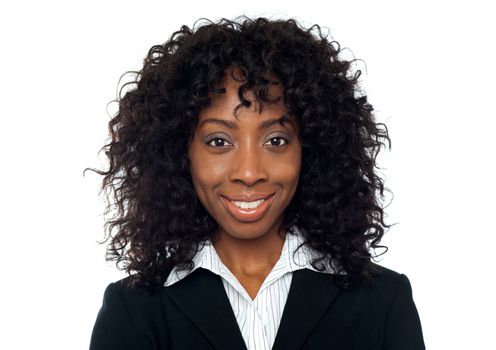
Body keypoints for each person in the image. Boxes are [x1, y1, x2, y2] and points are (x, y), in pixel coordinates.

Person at [86, 15, 425, 350]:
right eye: (219, 141)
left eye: (276, 140)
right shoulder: (134, 311)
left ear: (313, 148)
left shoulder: (383, 301)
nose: (248, 172)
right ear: (179, 152)